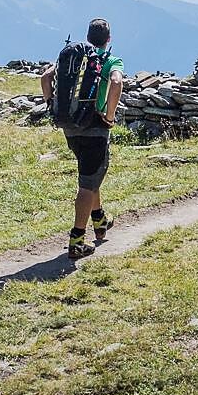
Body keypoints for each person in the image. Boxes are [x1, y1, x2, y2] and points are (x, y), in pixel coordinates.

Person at [42, 18, 124, 260]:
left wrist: (51, 106)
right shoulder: (109, 60)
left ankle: (99, 220)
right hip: (95, 127)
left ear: (88, 37)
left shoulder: (76, 57)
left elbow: (46, 78)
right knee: (87, 183)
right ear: (108, 39)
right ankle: (77, 240)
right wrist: (109, 116)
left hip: (70, 126)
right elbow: (117, 82)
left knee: (90, 173)